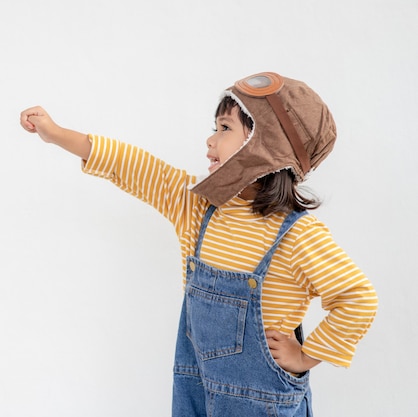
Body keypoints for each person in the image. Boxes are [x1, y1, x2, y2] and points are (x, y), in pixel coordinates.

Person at [19, 72, 377, 416]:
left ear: (266, 144)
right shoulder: (197, 207)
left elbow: (358, 298)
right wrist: (56, 134)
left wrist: (306, 355)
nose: (210, 140)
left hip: (261, 402)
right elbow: (133, 165)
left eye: (224, 128)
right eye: (215, 128)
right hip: (195, 391)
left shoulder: (298, 235)